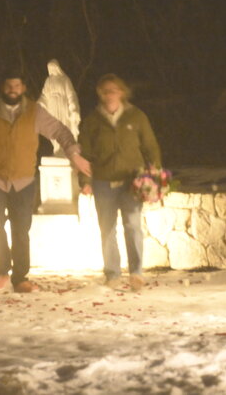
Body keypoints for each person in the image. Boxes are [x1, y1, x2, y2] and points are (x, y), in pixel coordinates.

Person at [0, 71, 91, 293]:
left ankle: (21, 277)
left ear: (23, 88)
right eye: (9, 85)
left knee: (21, 228)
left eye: (17, 85)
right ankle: (1, 271)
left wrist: (74, 154)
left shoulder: (34, 111)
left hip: (23, 179)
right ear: (3, 87)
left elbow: (60, 130)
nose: (13, 89)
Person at [78, 74, 161, 292]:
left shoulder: (136, 117)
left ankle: (136, 272)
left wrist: (154, 171)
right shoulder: (92, 120)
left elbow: (150, 146)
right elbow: (85, 152)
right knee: (107, 229)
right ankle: (112, 274)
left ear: (122, 92)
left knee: (133, 226)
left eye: (113, 90)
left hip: (132, 181)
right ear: (100, 94)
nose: (109, 95)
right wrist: (85, 180)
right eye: (105, 91)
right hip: (103, 181)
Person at [37, 59, 81, 156]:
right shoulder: (48, 81)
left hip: (62, 106)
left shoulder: (64, 79)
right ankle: (57, 148)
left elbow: (71, 94)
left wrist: (73, 108)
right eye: (50, 68)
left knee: (64, 125)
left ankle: (66, 148)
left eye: (53, 67)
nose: (52, 69)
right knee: (54, 127)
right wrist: (40, 104)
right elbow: (44, 95)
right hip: (52, 107)